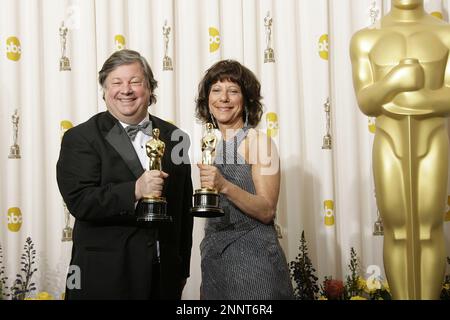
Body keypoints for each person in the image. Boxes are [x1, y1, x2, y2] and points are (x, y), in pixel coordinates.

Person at [56, 49, 193, 300]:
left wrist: (182, 269)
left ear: (150, 88)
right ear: (105, 90)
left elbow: (184, 209)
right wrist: (135, 190)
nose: (126, 90)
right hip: (105, 278)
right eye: (116, 82)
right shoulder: (80, 137)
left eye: (135, 82)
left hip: (163, 279)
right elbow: (80, 201)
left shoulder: (176, 137)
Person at [350, 0, 450, 299]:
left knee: (429, 228)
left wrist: (405, 101)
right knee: (397, 230)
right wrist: (395, 81)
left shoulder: (445, 35)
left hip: (432, 139)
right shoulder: (366, 39)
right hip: (388, 140)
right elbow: (366, 101)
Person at [195, 59, 294, 300]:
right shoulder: (213, 145)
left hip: (255, 261)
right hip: (215, 262)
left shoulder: (258, 142)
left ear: (246, 99)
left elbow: (267, 210)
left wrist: (224, 186)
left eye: (233, 91)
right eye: (216, 90)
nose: (224, 98)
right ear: (207, 100)